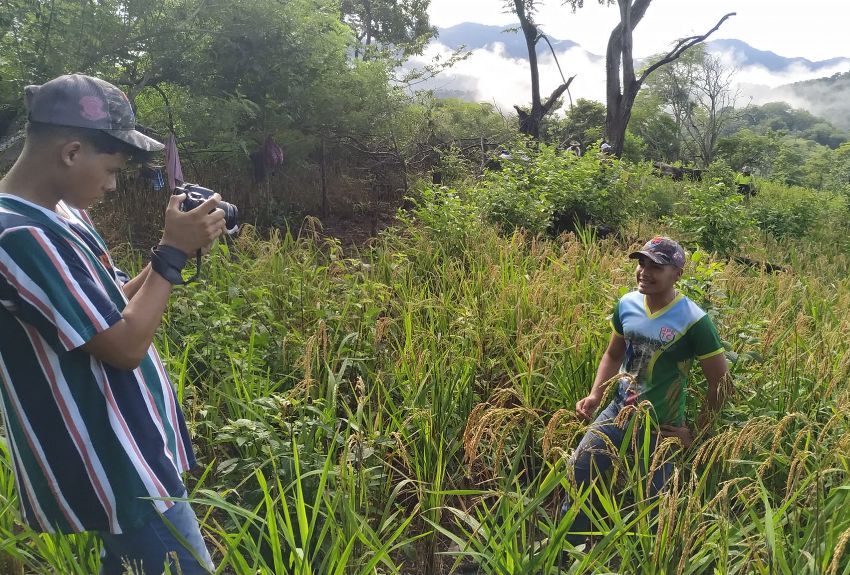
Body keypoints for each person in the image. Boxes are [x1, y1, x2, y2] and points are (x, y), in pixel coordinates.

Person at [0, 74, 226, 574]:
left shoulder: (62, 214)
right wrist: (172, 253)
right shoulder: (17, 235)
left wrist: (175, 248)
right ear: (71, 152)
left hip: (130, 445)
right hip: (111, 459)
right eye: (111, 170)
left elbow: (108, 305)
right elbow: (124, 346)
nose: (112, 185)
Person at [564, 236, 729, 545]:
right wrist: (596, 395)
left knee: (654, 506)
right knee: (579, 472)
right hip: (617, 412)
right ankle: (569, 550)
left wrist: (695, 433)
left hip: (660, 427)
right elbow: (613, 354)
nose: (645, 272)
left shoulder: (694, 320)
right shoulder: (627, 304)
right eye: (642, 263)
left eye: (657, 266)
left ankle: (649, 558)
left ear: (677, 273)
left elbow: (720, 383)